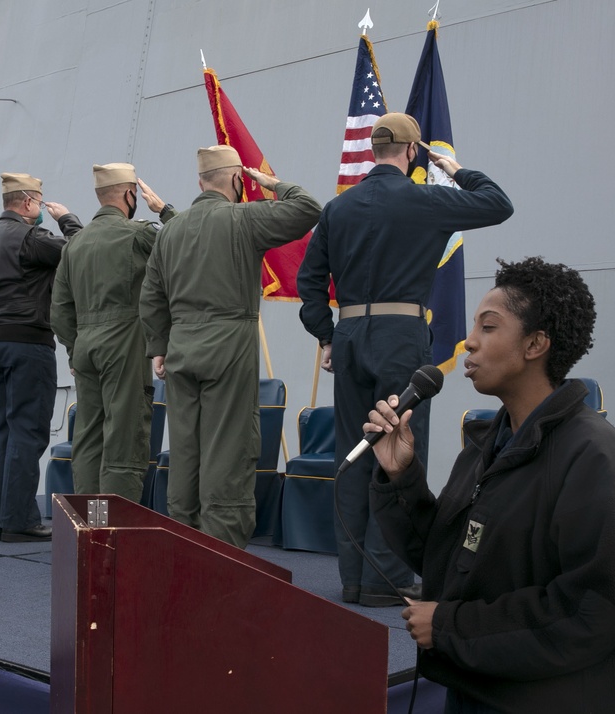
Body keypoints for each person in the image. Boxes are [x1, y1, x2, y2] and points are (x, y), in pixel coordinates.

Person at [366, 257, 615, 713]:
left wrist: (451, 626)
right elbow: (445, 558)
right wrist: (400, 475)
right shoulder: (489, 446)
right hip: (478, 691)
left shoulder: (595, 458)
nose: (469, 341)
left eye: (488, 327)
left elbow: (591, 610)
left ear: (535, 344)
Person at [296, 112, 514, 607]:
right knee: (398, 449)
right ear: (413, 153)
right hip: (401, 335)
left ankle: (353, 577)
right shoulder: (425, 198)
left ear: (373, 150)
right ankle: (387, 577)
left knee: (351, 454)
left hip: (349, 335)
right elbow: (498, 204)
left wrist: (326, 336)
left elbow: (308, 282)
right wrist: (456, 170)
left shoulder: (338, 208)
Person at [139, 146, 321, 548]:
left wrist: (159, 347)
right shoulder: (244, 219)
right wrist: (272, 183)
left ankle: (183, 539)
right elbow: (308, 208)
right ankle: (220, 549)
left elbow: (151, 296)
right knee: (230, 446)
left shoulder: (170, 230)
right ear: (239, 180)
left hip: (180, 351)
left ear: (199, 182)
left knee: (185, 449)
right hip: (229, 347)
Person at [0, 172, 83, 542]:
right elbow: (81, 255)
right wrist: (68, 220)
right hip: (27, 344)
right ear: (29, 203)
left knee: (1, 428)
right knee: (28, 430)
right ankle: (18, 520)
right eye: (41, 201)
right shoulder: (32, 238)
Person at [51, 163, 177, 503]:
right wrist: (166, 212)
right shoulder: (136, 234)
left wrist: (73, 350)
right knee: (125, 435)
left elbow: (60, 308)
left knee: (89, 437)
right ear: (129, 194)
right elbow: (184, 244)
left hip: (85, 347)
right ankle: (116, 530)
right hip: (124, 342)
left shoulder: (75, 245)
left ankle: (89, 528)